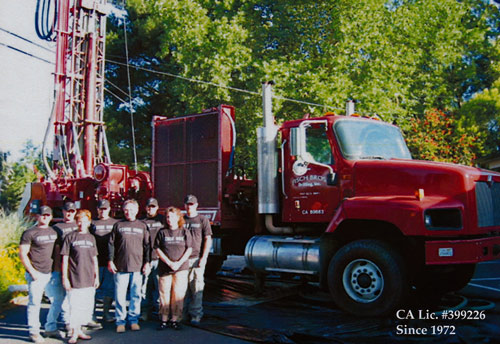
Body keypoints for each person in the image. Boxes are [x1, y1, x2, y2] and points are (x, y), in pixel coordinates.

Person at [19, 205, 64, 343]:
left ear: (51, 217)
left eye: (47, 215)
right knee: (34, 303)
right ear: (37, 216)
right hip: (36, 273)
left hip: (52, 273)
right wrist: (32, 271)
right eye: (42, 215)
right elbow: (23, 254)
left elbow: (57, 253)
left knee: (58, 299)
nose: (44, 217)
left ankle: (50, 327)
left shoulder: (54, 232)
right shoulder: (29, 233)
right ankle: (34, 332)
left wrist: (57, 271)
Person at [108, 199, 150, 333]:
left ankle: (133, 320)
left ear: (137, 210)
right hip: (121, 267)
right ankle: (120, 321)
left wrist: (147, 263)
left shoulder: (142, 226)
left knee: (136, 295)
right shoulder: (118, 225)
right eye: (126, 209)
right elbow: (111, 244)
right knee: (119, 296)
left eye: (131, 209)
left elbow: (147, 246)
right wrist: (110, 260)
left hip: (137, 267)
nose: (128, 212)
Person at [61, 209, 99, 344]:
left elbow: (94, 259)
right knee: (74, 305)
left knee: (86, 305)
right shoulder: (70, 237)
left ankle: (80, 330)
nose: (81, 224)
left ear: (89, 222)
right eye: (79, 221)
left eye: (84, 221)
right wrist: (65, 278)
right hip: (75, 277)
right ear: (76, 222)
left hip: (89, 277)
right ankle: (73, 332)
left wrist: (97, 276)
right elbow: (65, 259)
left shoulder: (91, 238)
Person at [155, 207, 192, 330]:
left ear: (178, 218)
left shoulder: (184, 232)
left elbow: (189, 249)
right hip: (165, 268)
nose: (170, 219)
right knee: (164, 295)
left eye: (172, 216)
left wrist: (178, 263)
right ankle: (164, 320)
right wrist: (169, 262)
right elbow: (157, 249)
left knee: (178, 295)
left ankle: (175, 320)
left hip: (181, 268)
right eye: (167, 217)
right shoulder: (162, 232)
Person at [182, 194, 212, 324]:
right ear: (184, 205)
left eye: (192, 204)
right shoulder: (181, 220)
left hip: (196, 259)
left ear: (196, 205)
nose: (189, 206)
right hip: (181, 260)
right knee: (182, 289)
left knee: (196, 288)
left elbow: (208, 239)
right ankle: (181, 314)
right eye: (187, 204)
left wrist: (204, 258)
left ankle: (196, 315)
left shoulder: (202, 220)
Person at [90, 199, 118, 323]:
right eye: (101, 209)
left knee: (109, 288)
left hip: (110, 262)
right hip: (94, 261)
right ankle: (92, 314)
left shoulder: (116, 223)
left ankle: (106, 313)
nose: (103, 211)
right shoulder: (91, 224)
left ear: (109, 209)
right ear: (97, 210)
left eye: (105, 208)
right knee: (93, 289)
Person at [140, 197, 165, 320]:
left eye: (153, 206)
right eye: (149, 207)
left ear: (157, 207)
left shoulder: (162, 220)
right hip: (145, 260)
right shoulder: (141, 221)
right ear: (145, 208)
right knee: (144, 287)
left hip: (159, 259)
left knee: (160, 287)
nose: (150, 209)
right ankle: (145, 312)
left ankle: (161, 313)